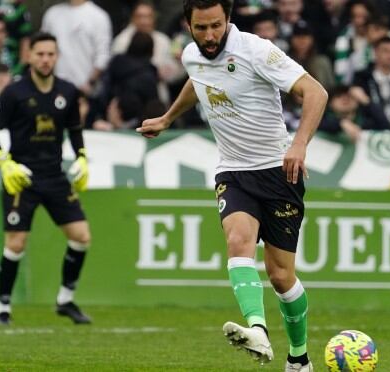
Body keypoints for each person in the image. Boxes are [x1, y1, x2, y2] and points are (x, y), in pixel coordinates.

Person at [137, 0, 328, 370]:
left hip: (277, 171)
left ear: (228, 20)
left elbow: (315, 92)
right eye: (201, 28)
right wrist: (167, 117)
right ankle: (257, 328)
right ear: (188, 25)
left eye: (215, 26)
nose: (209, 36)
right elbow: (199, 81)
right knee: (237, 240)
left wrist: (299, 144)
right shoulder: (193, 54)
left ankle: (299, 359)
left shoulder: (256, 50)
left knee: (280, 276)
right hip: (233, 171)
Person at [0, 32, 92, 326]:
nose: (45, 59)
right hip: (23, 178)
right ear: (29, 56)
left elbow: (75, 129)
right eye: (40, 54)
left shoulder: (67, 92)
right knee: (15, 244)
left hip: (55, 177)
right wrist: (4, 162)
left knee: (81, 237)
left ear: (57, 57)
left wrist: (81, 156)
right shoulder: (14, 93)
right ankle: (2, 307)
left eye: (50, 54)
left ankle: (65, 300)